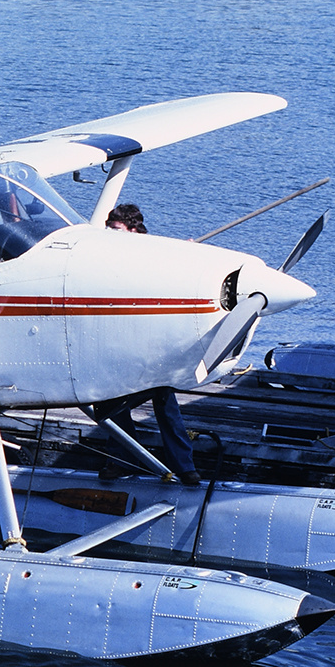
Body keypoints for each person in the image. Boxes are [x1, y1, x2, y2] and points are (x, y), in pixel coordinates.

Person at [101, 203, 201, 487]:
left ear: (133, 231)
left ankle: (184, 466)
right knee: (112, 404)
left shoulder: (151, 253)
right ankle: (122, 460)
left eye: (116, 230)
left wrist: (188, 255)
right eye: (109, 230)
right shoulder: (109, 256)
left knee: (165, 403)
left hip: (152, 347)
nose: (110, 235)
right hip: (118, 345)